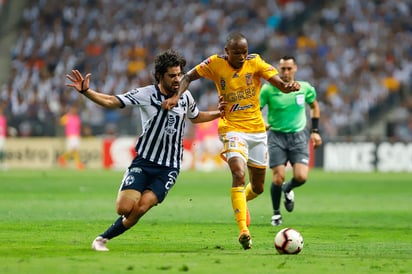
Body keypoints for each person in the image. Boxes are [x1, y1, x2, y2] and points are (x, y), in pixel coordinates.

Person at [65, 49, 224, 251]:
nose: (177, 79)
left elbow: (196, 116)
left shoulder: (185, 97)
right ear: (159, 75)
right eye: (172, 75)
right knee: (124, 208)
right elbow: (113, 101)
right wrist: (87, 92)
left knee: (141, 206)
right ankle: (110, 226)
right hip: (144, 161)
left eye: (179, 75)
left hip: (169, 167)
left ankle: (102, 239)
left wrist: (219, 113)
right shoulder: (146, 94)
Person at [162, 33, 300, 250]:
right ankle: (244, 230)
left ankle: (242, 201)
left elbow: (279, 83)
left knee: (258, 187)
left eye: (244, 51)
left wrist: (288, 87)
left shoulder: (255, 62)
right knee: (238, 173)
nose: (242, 56)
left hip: (256, 131)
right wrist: (176, 97)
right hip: (231, 128)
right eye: (237, 53)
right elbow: (187, 77)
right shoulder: (215, 63)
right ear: (227, 52)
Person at [260, 55, 322, 226]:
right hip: (276, 136)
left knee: (301, 177)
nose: (286, 72)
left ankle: (288, 189)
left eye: (289, 68)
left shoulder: (305, 88)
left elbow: (314, 106)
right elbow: (256, 110)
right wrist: (262, 122)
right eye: (283, 69)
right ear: (278, 70)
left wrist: (315, 131)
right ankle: (276, 214)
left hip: (299, 136)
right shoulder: (268, 89)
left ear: (295, 69)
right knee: (277, 177)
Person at [58, 104, 85, 170]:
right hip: (70, 136)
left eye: (75, 110)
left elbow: (79, 127)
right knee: (74, 150)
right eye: (73, 109)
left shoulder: (77, 118)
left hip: (76, 136)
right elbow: (60, 122)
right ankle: (78, 164)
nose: (74, 111)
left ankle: (63, 158)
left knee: (74, 151)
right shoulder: (67, 117)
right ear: (70, 110)